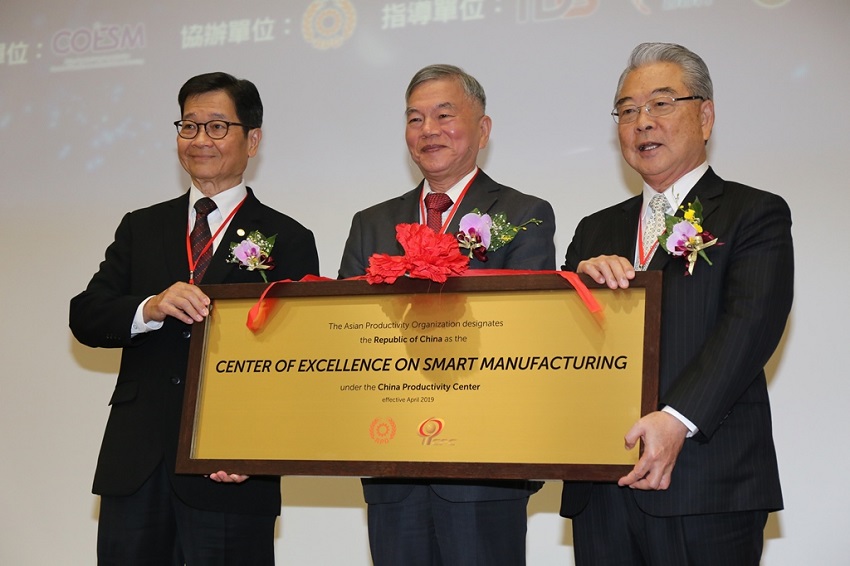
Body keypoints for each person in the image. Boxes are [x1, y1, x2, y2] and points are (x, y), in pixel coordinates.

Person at [69, 72, 319, 565]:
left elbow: (299, 359)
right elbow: (87, 314)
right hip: (137, 464)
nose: (200, 139)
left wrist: (251, 448)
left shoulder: (287, 237)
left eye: (217, 126)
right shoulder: (141, 227)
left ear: (253, 139)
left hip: (229, 469)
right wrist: (149, 307)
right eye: (188, 126)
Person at [560, 42, 793, 565]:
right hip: (601, 486)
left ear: (705, 116)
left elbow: (751, 325)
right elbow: (561, 347)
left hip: (706, 483)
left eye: (661, 104)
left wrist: (676, 418)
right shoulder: (595, 229)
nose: (642, 122)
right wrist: (574, 288)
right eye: (627, 110)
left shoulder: (752, 212)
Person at [339, 64, 556, 565]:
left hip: (483, 463)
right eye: (415, 119)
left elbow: (525, 333)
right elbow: (350, 332)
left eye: (443, 114)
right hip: (390, 458)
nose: (428, 130)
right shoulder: (370, 223)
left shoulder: (524, 214)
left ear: (482, 128)